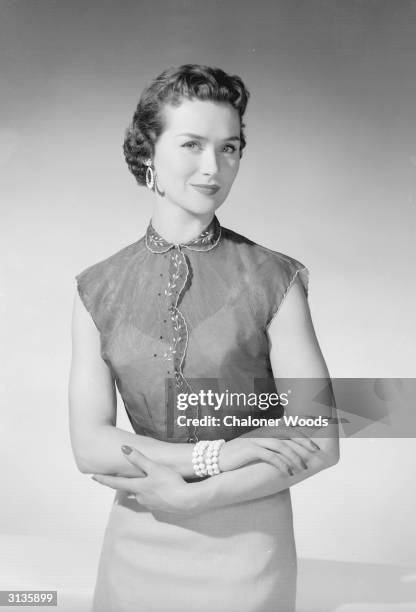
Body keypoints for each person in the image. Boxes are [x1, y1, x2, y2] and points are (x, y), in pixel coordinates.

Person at [69, 64, 339, 612]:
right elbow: (88, 445)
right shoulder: (95, 288)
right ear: (147, 153)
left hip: (247, 552)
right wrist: (220, 454)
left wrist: (200, 489)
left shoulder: (276, 278)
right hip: (135, 543)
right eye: (192, 144)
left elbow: (322, 439)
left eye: (230, 148)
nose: (213, 168)